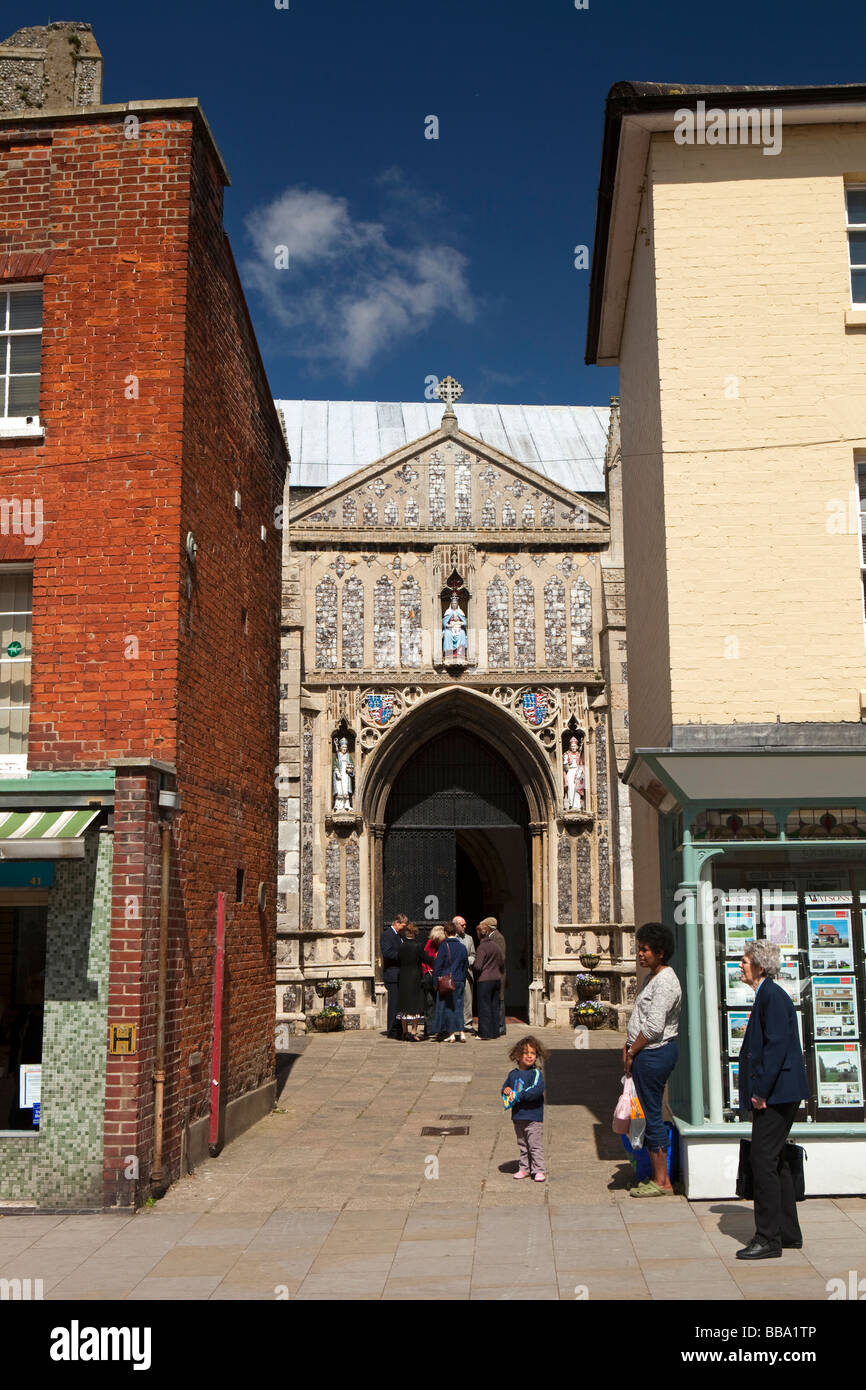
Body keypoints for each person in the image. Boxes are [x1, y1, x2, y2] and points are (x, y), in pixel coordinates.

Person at [736, 940, 810, 1260]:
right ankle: (788, 1233)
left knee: (762, 1161)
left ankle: (768, 1238)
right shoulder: (766, 994)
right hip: (776, 1092)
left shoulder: (772, 996)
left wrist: (760, 1093)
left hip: (777, 1094)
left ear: (760, 966)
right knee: (774, 1159)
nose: (740, 966)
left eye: (745, 961)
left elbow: (776, 1049)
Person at [624, 922, 682, 1197]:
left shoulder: (666, 982)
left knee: (651, 1114)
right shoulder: (653, 977)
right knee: (648, 1112)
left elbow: (653, 1027)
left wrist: (633, 1050)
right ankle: (658, 1175)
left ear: (660, 952)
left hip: (654, 1053)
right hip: (646, 1052)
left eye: (645, 949)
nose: (640, 954)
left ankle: (662, 1180)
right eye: (639, 949)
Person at [502, 1035, 549, 1182]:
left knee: (534, 1145)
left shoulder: (535, 1074)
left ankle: (539, 1169)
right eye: (526, 1053)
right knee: (523, 1144)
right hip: (518, 1116)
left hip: (533, 1116)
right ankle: (524, 1168)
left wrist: (518, 1095)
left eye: (533, 1053)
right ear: (517, 1055)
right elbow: (505, 1088)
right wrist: (507, 1091)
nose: (530, 1056)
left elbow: (536, 1091)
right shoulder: (513, 1074)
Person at [431, 920, 468, 1042]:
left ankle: (452, 1034)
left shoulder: (443, 946)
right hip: (459, 980)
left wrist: (435, 983)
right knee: (459, 1006)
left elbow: (438, 966)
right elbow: (465, 965)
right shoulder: (462, 947)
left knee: (448, 1007)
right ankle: (462, 1033)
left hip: (446, 981)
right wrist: (461, 978)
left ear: (446, 933)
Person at [473, 920, 504, 1040]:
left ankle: (484, 1033)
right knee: (494, 1006)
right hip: (496, 978)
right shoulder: (495, 946)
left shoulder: (482, 947)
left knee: (484, 1006)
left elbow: (478, 966)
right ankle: (494, 1032)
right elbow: (501, 962)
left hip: (485, 980)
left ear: (479, 934)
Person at [395, 922, 426, 1040]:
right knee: (415, 1005)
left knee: (404, 1005)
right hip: (415, 978)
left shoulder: (401, 946)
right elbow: (426, 959)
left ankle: (404, 1031)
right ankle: (413, 1031)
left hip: (403, 977)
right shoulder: (418, 946)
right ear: (415, 933)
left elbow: (399, 960)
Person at [380, 914, 407, 1039]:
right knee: (394, 1003)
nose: (404, 928)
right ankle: (392, 1030)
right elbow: (387, 952)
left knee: (399, 1004)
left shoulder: (399, 935)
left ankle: (399, 1028)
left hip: (400, 974)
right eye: (402, 925)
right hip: (392, 974)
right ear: (397, 922)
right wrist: (402, 955)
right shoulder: (387, 935)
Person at [484, 917, 508, 1036]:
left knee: (499, 1000)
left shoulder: (498, 937)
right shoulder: (490, 937)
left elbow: (501, 957)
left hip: (498, 974)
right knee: (494, 1000)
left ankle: (501, 1027)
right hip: (492, 974)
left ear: (488, 927)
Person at [421, 925, 445, 1039]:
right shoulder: (430, 943)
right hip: (430, 978)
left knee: (440, 1003)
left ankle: (440, 1028)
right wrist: (427, 970)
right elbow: (424, 959)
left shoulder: (444, 944)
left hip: (441, 978)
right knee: (430, 1003)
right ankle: (430, 1029)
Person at [454, 916, 476, 1032]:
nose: (465, 927)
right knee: (456, 998)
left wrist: (468, 961)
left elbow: (473, 954)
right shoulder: (451, 938)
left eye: (465, 925)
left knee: (468, 998)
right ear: (456, 926)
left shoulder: (469, 938)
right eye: (462, 925)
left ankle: (467, 1023)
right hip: (455, 973)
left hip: (466, 972)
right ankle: (456, 1023)